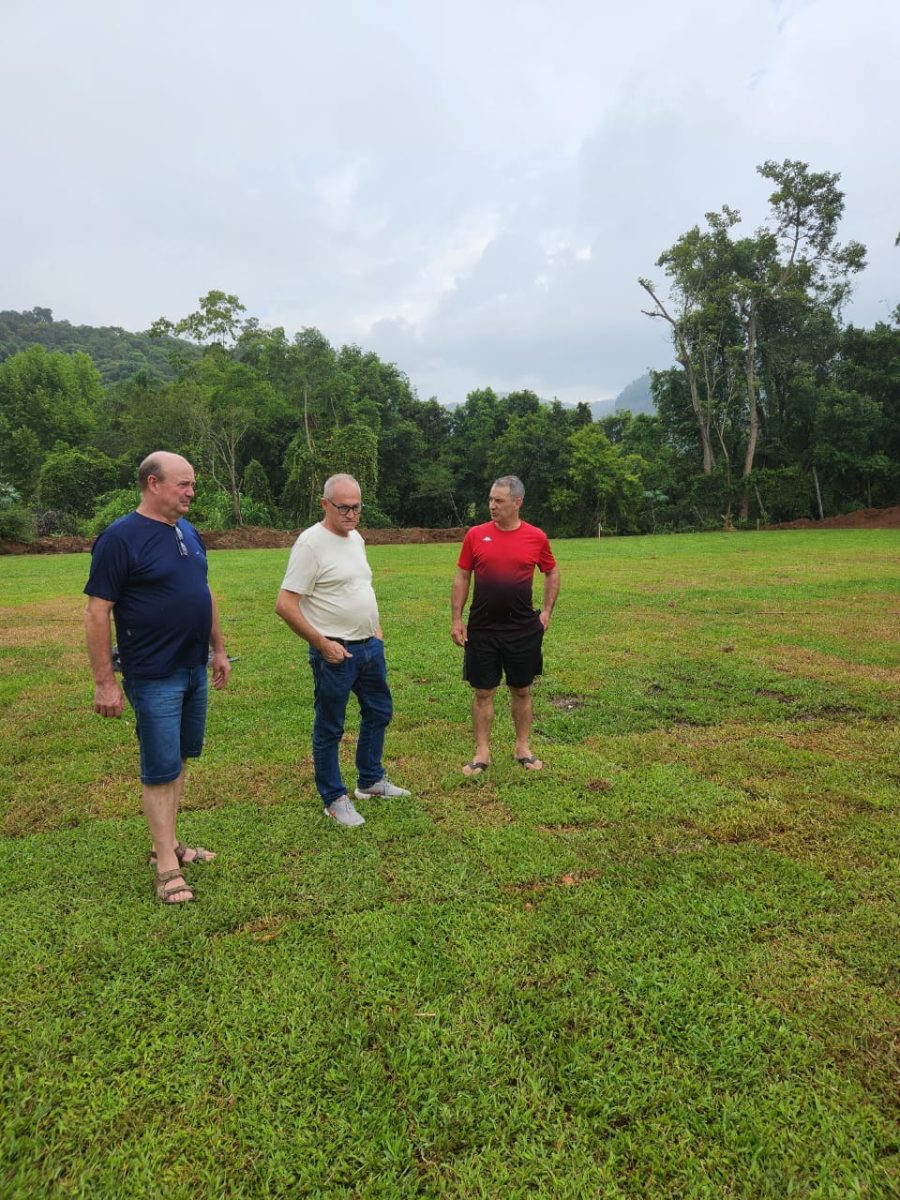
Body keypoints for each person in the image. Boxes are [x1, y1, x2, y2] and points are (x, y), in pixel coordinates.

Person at [84, 452, 231, 904]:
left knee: (181, 758)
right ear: (153, 483)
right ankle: (167, 866)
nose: (191, 492)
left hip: (193, 667)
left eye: (192, 485)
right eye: (183, 484)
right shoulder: (120, 538)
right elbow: (97, 610)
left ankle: (164, 844)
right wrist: (104, 681)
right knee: (160, 768)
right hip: (153, 673)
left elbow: (202, 591)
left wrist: (219, 649)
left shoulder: (188, 532)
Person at [274, 473, 409, 828]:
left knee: (379, 711)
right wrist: (322, 643)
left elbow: (359, 584)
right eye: (343, 507)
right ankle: (334, 798)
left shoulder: (356, 538)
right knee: (330, 727)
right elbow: (285, 605)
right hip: (335, 653)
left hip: (369, 648)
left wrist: (375, 630)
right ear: (324, 505)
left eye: (357, 508)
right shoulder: (310, 544)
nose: (351, 515)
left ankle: (370, 780)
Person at [451, 475, 560, 776]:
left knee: (521, 689)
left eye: (498, 500)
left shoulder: (536, 537)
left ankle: (522, 747)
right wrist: (457, 618)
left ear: (517, 502)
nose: (492, 505)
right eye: (490, 499)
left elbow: (551, 572)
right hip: (483, 629)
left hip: (522, 629)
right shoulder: (475, 535)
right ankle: (482, 752)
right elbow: (462, 575)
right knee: (483, 692)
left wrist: (547, 611)